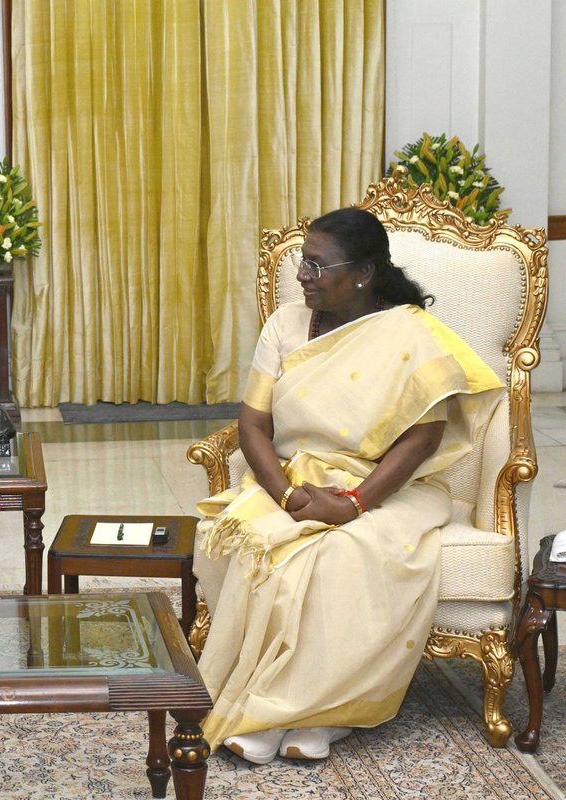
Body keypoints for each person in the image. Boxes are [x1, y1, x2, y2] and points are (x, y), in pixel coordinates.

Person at [193, 207, 504, 764]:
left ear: (363, 273)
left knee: (344, 553)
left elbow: (423, 438)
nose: (302, 275)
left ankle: (322, 715)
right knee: (256, 546)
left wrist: (355, 504)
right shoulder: (285, 325)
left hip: (386, 487)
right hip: (292, 478)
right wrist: (287, 496)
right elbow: (253, 425)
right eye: (302, 261)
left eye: (317, 265)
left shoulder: (408, 331)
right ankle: (273, 710)